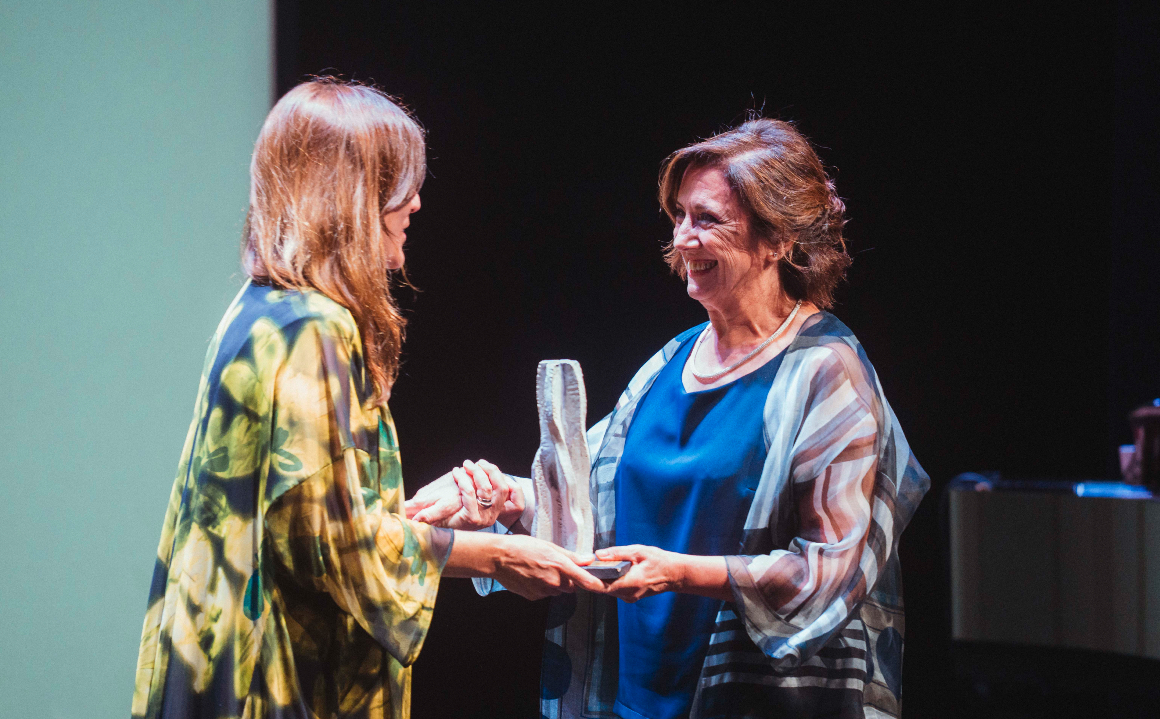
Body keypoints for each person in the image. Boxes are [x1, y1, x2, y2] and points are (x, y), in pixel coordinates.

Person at [408, 118, 929, 719]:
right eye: (679, 216)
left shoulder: (825, 371)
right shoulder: (671, 362)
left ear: (779, 239)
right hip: (640, 690)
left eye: (707, 219)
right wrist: (501, 496)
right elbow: (594, 504)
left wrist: (679, 573)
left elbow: (827, 569)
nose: (683, 238)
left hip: (749, 701)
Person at [130, 78, 603, 719]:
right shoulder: (315, 327)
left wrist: (412, 519)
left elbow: (304, 518)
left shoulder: (260, 311)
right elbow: (330, 549)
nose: (415, 202)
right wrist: (496, 556)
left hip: (223, 653)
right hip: (275, 678)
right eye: (398, 181)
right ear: (351, 193)